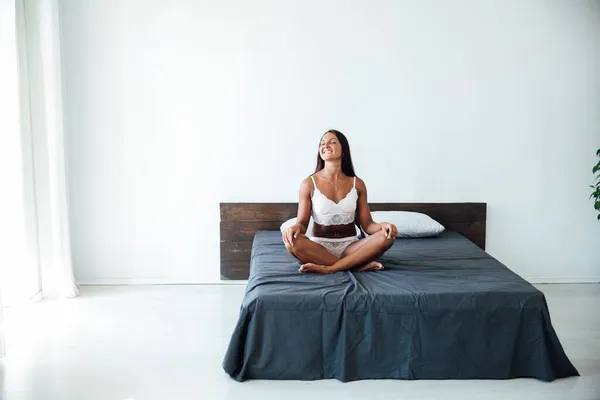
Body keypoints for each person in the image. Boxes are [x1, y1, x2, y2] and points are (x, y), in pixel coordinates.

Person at [283, 129, 398, 274]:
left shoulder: (358, 184)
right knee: (291, 243)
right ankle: (356, 266)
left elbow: (368, 225)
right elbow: (302, 224)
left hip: (351, 247)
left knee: (387, 237)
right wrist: (294, 228)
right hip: (319, 249)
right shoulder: (308, 183)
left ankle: (330, 268)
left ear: (343, 151)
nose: (326, 145)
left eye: (332, 142)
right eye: (322, 143)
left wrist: (384, 226)